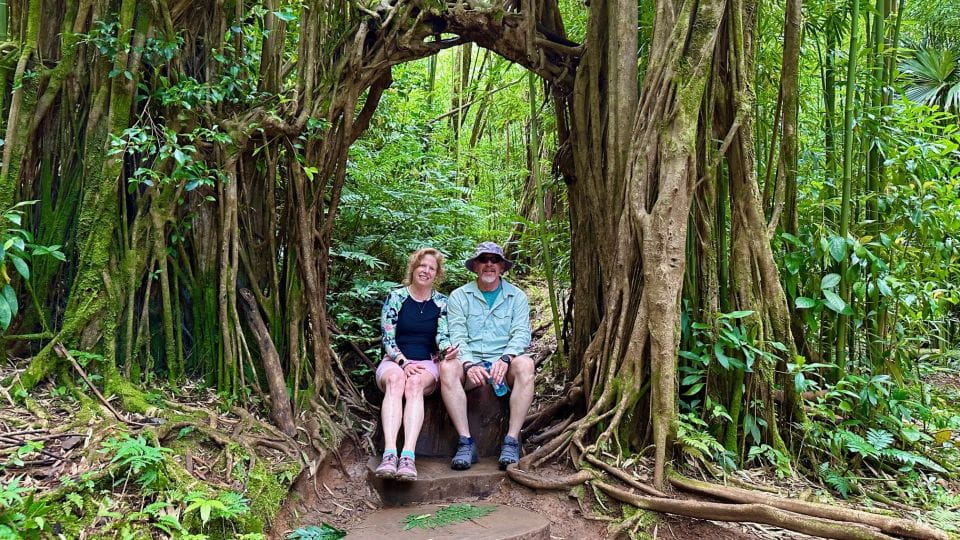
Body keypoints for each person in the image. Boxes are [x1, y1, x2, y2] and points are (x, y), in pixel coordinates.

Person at [440, 242, 534, 470]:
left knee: (526, 365)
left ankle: (511, 440)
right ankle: (466, 442)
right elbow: (458, 334)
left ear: (502, 266)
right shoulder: (459, 297)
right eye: (484, 259)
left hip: (504, 363)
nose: (489, 264)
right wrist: (469, 364)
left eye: (494, 260)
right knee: (447, 367)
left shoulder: (517, 297)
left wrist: (506, 358)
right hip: (471, 362)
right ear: (475, 266)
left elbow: (521, 333)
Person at [374, 248, 458, 481]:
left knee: (414, 384)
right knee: (396, 379)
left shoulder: (442, 302)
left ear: (437, 274)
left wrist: (446, 349)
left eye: (432, 268)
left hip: (426, 363)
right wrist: (402, 362)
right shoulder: (396, 297)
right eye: (423, 266)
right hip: (394, 360)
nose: (426, 271)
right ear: (414, 267)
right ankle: (390, 453)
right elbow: (388, 338)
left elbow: (442, 336)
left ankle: (408, 456)